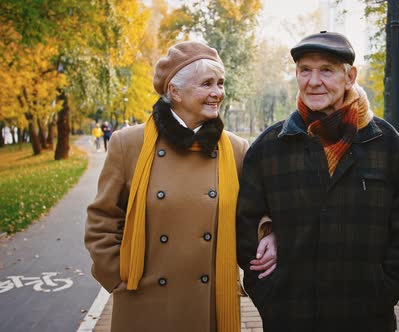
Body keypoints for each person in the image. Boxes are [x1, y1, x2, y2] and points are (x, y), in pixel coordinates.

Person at [236, 31, 399, 331]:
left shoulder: (385, 143)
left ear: (350, 76)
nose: (313, 81)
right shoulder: (270, 147)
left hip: (366, 317)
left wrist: (387, 289)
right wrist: (269, 292)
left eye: (326, 70)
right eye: (305, 70)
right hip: (290, 316)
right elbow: (246, 223)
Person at [85, 41, 276, 332]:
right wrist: (117, 278)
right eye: (207, 84)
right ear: (175, 91)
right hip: (143, 301)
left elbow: (252, 212)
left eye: (221, 83)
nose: (218, 93)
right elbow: (103, 219)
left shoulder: (236, 149)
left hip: (210, 303)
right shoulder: (129, 144)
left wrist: (268, 232)